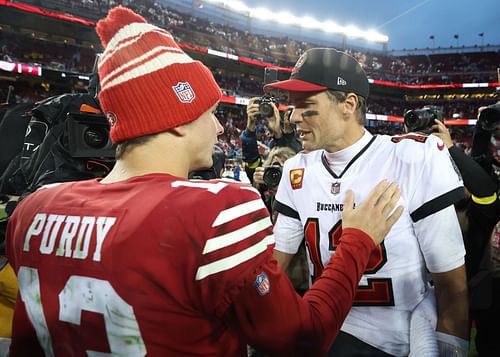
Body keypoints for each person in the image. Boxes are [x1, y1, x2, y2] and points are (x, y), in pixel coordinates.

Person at [5, 7, 404, 356]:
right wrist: (356, 242)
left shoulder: (34, 209)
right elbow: (303, 338)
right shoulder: (216, 209)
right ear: (176, 119)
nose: (217, 126)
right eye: (210, 111)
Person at [265, 48, 469, 356]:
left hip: (393, 344)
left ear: (348, 104)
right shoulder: (297, 169)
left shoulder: (412, 156)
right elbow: (274, 270)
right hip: (323, 331)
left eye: (306, 106)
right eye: (293, 107)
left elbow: (452, 286)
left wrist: (451, 348)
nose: (293, 117)